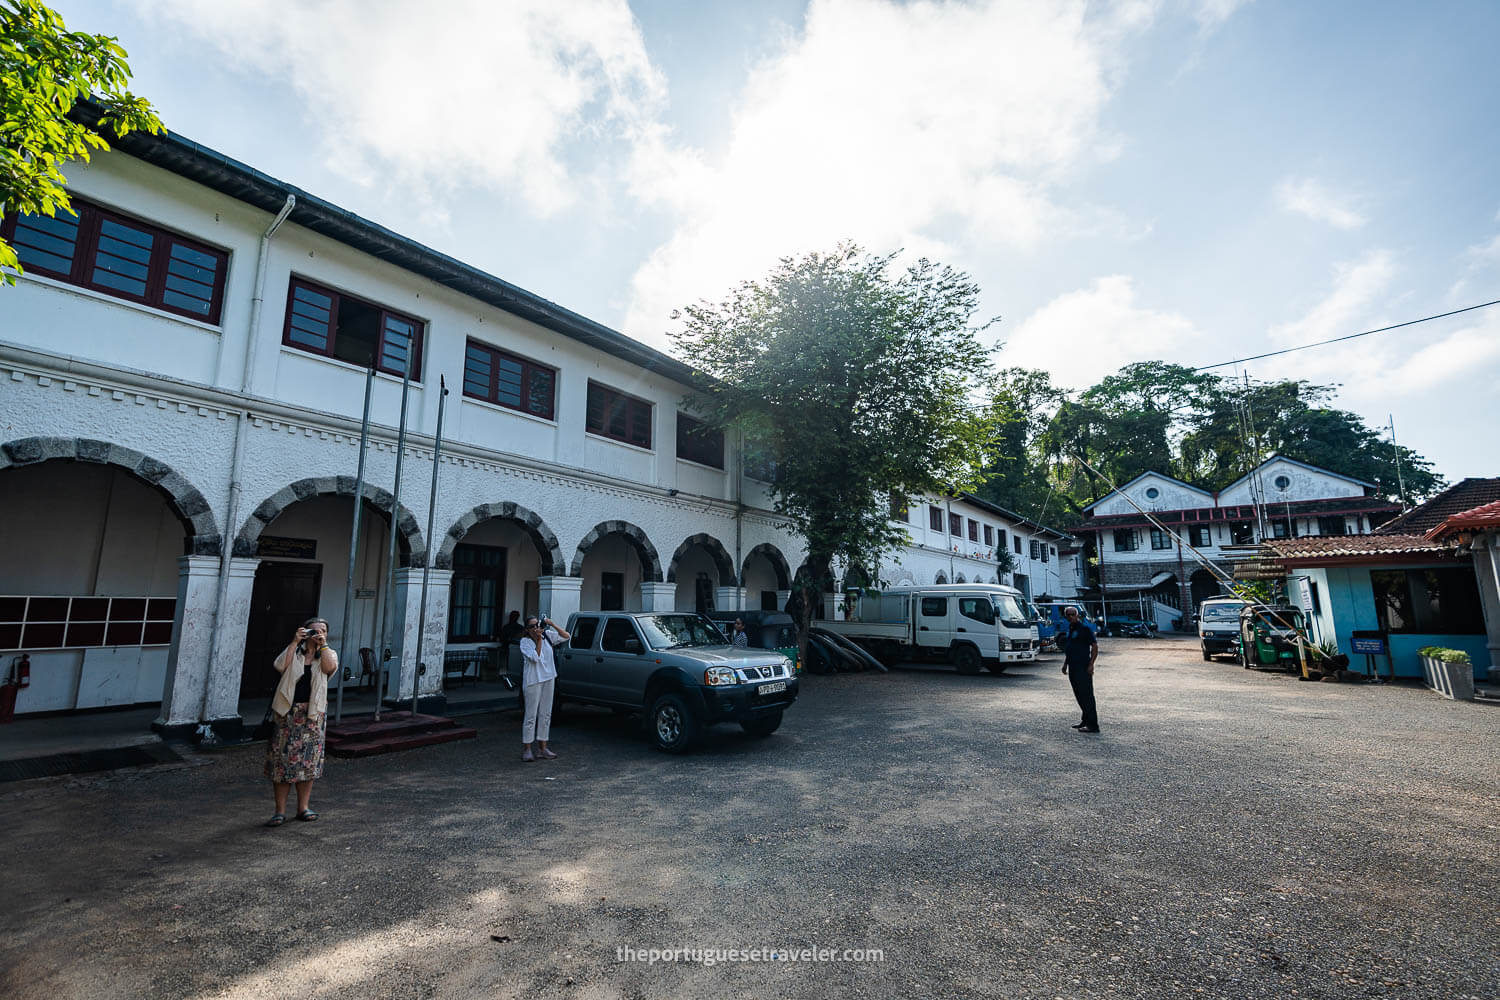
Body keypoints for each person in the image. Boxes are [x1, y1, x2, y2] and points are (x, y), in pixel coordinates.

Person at [264, 617, 338, 826]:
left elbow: (329, 668)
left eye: (322, 630)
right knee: (282, 763)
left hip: (312, 715)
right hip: (288, 713)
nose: (317, 634)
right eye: (313, 630)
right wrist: (295, 642)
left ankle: (303, 807)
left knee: (308, 763)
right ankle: (279, 811)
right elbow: (280, 666)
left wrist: (322, 645)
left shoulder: (328, 654)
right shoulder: (295, 652)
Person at [519, 614, 570, 762]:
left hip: (548, 678)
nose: (536, 628)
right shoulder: (525, 642)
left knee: (546, 714)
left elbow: (566, 636)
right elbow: (536, 657)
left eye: (537, 625)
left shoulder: (547, 635)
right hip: (533, 680)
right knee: (531, 715)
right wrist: (539, 639)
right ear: (527, 629)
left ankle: (543, 747)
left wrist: (551, 624)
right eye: (532, 626)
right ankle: (527, 749)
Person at [1060, 606, 1099, 734]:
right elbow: (1070, 648)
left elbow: (1094, 647)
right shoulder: (1071, 629)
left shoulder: (1085, 629)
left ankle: (1093, 725)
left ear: (1077, 615)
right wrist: (1065, 664)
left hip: (1083, 667)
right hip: (1073, 667)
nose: (1070, 617)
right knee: (1079, 695)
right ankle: (1085, 720)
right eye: (1068, 615)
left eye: (1072, 614)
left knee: (1086, 695)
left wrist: (1091, 664)